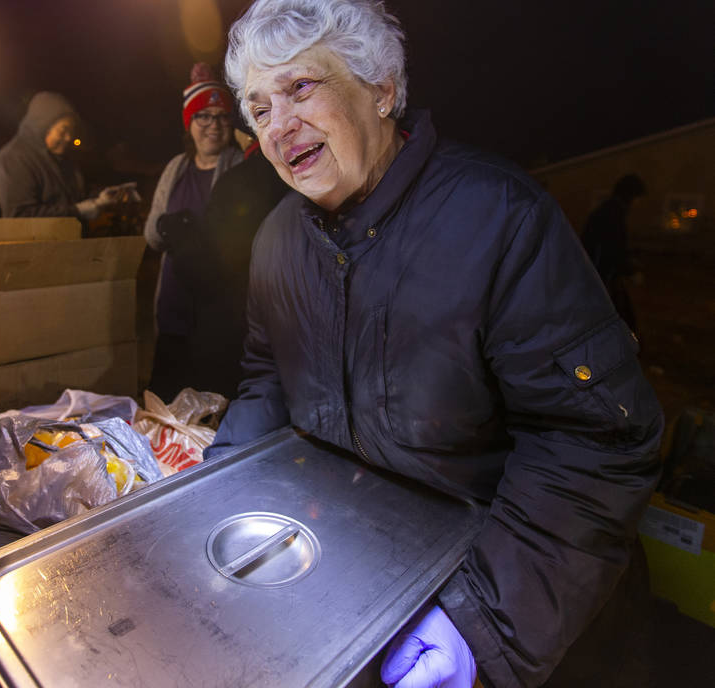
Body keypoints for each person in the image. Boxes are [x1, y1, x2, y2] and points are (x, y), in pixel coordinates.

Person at [210, 1, 663, 687]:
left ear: (382, 90)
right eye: (260, 108)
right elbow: (266, 382)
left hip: (514, 600)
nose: (280, 126)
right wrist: (208, 491)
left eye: (302, 87)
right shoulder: (276, 241)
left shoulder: (499, 217)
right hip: (361, 585)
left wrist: (479, 623)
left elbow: (596, 442)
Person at [143, 63, 244, 402]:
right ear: (189, 123)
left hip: (214, 315)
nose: (213, 125)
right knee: (164, 404)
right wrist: (167, 226)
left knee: (209, 407)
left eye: (222, 116)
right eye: (203, 116)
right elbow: (152, 233)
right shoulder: (176, 168)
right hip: (173, 310)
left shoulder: (239, 165)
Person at [172, 137, 288, 400]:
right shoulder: (300, 176)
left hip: (230, 320)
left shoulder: (239, 179)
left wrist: (183, 242)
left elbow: (213, 258)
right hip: (280, 327)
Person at [0, 91, 124, 231]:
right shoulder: (14, 158)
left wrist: (100, 196)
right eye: (63, 130)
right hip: (35, 250)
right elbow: (19, 217)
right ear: (41, 126)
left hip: (69, 246)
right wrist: (77, 211)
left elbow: (75, 195)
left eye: (71, 131)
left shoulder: (62, 159)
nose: (68, 138)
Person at [580, 173, 646, 337]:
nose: (638, 203)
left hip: (596, 272)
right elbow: (613, 248)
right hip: (602, 274)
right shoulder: (613, 214)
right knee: (617, 316)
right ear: (631, 195)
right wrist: (630, 271)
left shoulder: (607, 210)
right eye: (638, 197)